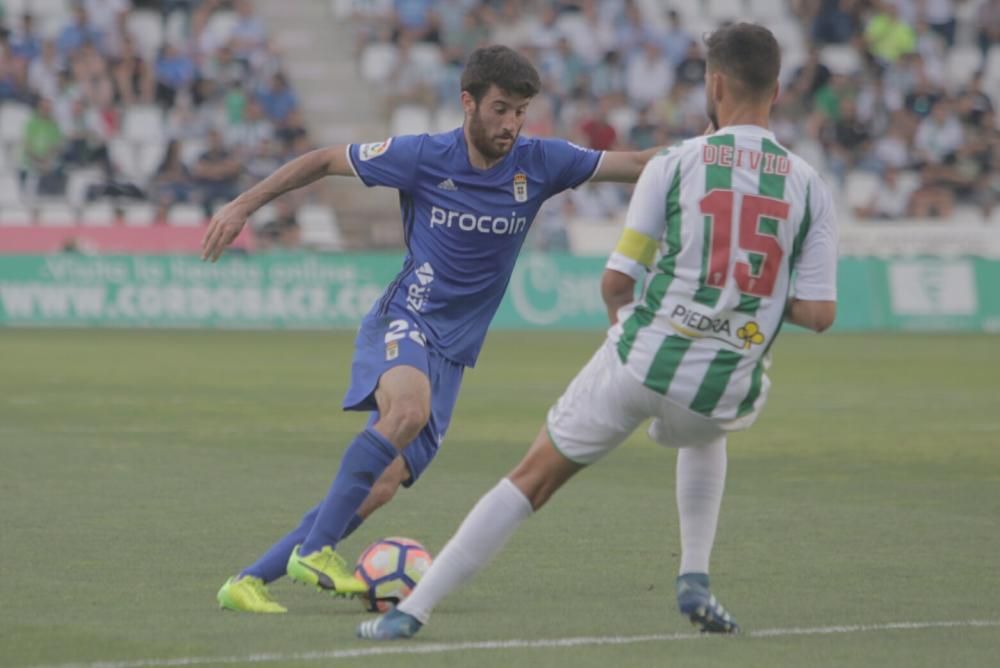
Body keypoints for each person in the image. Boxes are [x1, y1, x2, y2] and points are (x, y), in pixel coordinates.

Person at [356, 23, 839, 641]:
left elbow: (617, 282)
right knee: (704, 429)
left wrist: (633, 336)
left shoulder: (677, 164)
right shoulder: (809, 185)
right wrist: (744, 302)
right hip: (726, 382)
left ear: (714, 84)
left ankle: (409, 612)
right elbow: (819, 314)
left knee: (531, 479)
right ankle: (694, 575)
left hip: (640, 361)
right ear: (777, 89)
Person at [205, 45, 659, 613]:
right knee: (405, 412)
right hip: (405, 319)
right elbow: (324, 160)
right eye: (500, 109)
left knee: (380, 486)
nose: (511, 124)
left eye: (520, 111)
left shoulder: (542, 162)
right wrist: (241, 206)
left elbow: (641, 164)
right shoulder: (422, 155)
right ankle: (317, 550)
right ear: (467, 102)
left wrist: (717, 152)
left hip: (454, 353)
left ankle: (247, 581)